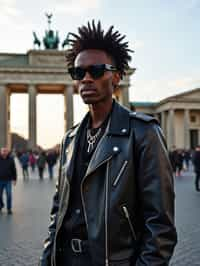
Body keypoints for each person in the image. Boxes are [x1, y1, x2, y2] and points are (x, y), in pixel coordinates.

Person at [39, 20, 177, 266]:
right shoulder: (69, 139)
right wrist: (46, 259)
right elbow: (57, 211)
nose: (86, 79)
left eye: (97, 70)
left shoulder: (143, 133)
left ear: (117, 76)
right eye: (79, 73)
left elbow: (160, 226)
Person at [0, 147, 17, 214]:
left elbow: (14, 169)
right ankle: (1, 205)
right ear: (0, 152)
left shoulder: (11, 159)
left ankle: (9, 208)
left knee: (9, 195)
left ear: (7, 152)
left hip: (8, 180)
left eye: (5, 151)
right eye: (3, 151)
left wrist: (14, 179)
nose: (4, 152)